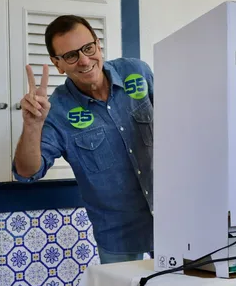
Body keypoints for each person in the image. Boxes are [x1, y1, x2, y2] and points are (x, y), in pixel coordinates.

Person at [12, 15, 154, 264]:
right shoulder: (56, 110)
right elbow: (26, 172)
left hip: (174, 219)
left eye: (88, 48)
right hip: (118, 236)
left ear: (98, 44)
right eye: (71, 56)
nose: (85, 61)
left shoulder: (138, 72)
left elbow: (181, 123)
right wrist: (32, 126)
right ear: (58, 64)